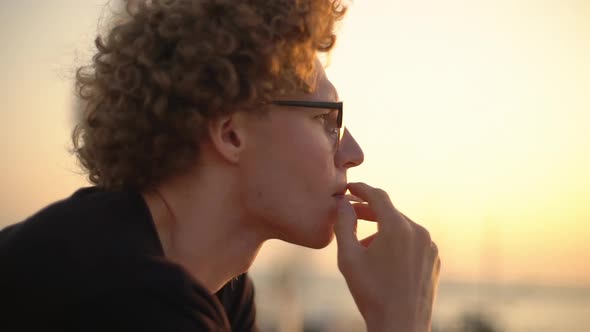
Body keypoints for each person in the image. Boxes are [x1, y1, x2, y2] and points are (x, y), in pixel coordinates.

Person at [0, 0, 441, 331]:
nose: (353, 153)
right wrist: (400, 319)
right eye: (326, 120)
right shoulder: (130, 296)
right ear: (231, 133)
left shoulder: (220, 289)